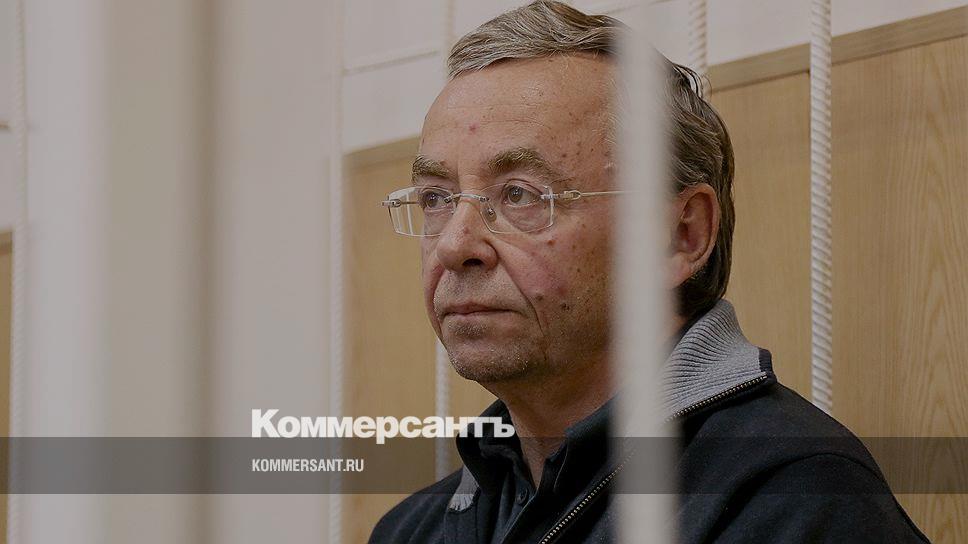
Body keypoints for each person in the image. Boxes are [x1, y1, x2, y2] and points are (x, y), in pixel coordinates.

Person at [369, 1, 929, 542]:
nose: (454, 245)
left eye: (520, 194)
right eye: (436, 198)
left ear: (681, 235)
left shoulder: (800, 502)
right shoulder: (412, 528)